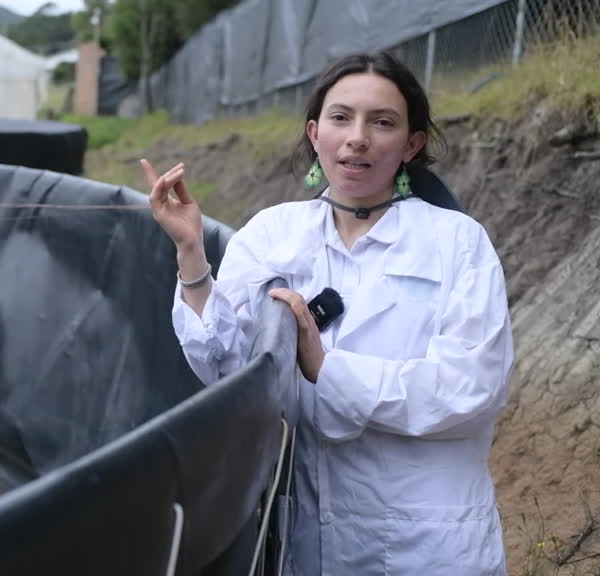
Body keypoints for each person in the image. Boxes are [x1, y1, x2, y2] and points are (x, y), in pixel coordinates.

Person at [140, 52, 514, 575]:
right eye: (341, 118)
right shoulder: (273, 233)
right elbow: (227, 367)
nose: (357, 137)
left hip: (430, 542)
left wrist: (326, 367)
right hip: (316, 536)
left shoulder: (456, 242)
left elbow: (472, 388)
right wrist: (191, 255)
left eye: (382, 122)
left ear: (412, 144)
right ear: (315, 133)